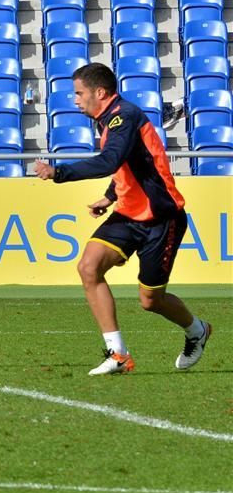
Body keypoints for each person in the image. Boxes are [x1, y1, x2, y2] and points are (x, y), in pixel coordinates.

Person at [33, 63, 212, 376]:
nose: (75, 100)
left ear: (99, 93)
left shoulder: (122, 116)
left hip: (161, 219)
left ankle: (197, 330)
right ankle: (118, 354)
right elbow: (131, 164)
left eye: (79, 93)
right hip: (128, 214)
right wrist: (111, 195)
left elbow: (111, 159)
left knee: (150, 301)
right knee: (88, 267)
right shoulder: (110, 119)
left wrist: (59, 172)